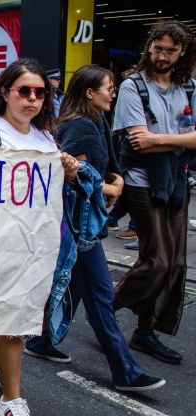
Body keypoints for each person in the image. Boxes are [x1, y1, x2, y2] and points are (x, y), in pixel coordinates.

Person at [23, 64, 165, 393]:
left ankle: (42, 341)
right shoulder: (80, 126)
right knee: (101, 296)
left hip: (83, 222)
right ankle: (125, 371)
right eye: (108, 87)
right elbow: (65, 175)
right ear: (89, 93)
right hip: (77, 225)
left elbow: (99, 166)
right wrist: (110, 189)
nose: (113, 92)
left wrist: (114, 178)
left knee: (72, 288)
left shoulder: (96, 121)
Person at [0, 58, 79, 416]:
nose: (32, 99)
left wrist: (69, 171)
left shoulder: (45, 136)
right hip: (3, 242)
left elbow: (52, 187)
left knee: (24, 312)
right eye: (24, 91)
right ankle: (11, 400)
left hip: (41, 241)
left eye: (40, 93)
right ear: (5, 92)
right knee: (16, 318)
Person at [112, 20, 196, 365]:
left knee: (175, 264)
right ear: (149, 47)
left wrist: (159, 138)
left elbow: (151, 139)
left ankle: (145, 331)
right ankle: (108, 308)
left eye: (170, 50)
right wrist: (179, 141)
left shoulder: (189, 87)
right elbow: (137, 142)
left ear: (182, 52)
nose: (162, 55)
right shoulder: (134, 86)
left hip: (176, 182)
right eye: (158, 48)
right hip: (142, 182)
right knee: (157, 259)